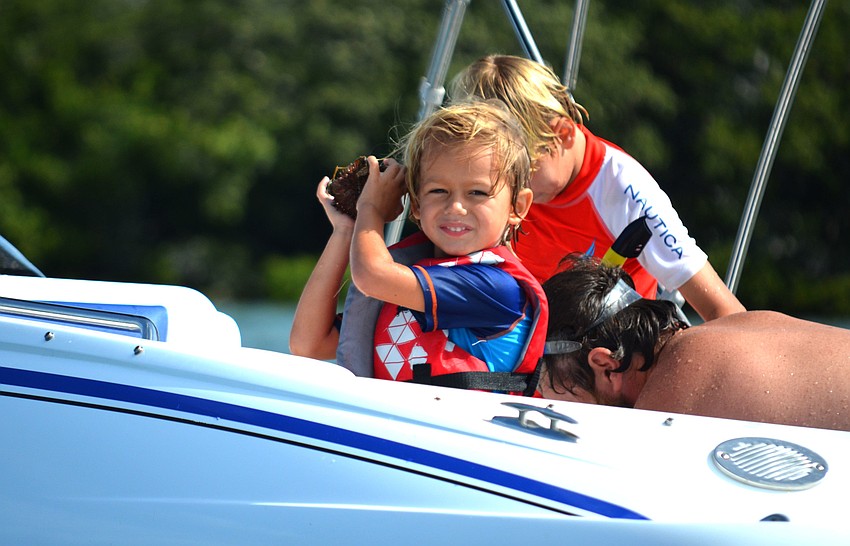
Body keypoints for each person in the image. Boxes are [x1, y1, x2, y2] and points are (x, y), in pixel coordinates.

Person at [450, 54, 745, 322]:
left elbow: (726, 313)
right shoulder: (505, 179)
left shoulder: (623, 189)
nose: (511, 187)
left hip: (603, 361)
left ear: (563, 134)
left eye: (522, 168)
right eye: (497, 172)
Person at [290, 100, 548, 394]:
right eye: (438, 191)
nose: (456, 207)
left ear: (518, 206)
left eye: (477, 192)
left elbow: (372, 276)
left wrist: (371, 210)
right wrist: (345, 230)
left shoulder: (495, 287)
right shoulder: (408, 275)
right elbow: (308, 344)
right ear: (415, 203)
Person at [539, 253, 850, 432]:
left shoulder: (666, 410)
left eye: (555, 394)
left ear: (605, 366)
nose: (549, 405)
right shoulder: (727, 328)